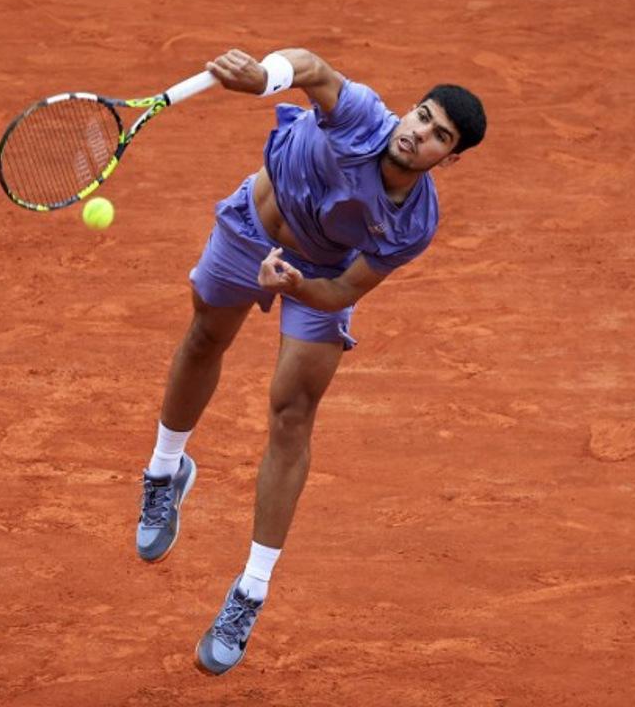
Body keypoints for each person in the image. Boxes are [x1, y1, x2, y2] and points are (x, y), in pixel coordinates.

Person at [133, 48, 487, 676]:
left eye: (439, 136)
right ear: (408, 109)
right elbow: (312, 68)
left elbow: (344, 291)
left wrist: (293, 284)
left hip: (315, 275)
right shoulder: (361, 117)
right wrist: (264, 78)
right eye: (422, 116)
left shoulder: (414, 224)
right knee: (203, 338)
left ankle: (250, 590)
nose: (419, 133)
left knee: (293, 411)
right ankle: (166, 469)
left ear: (450, 160)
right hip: (248, 228)